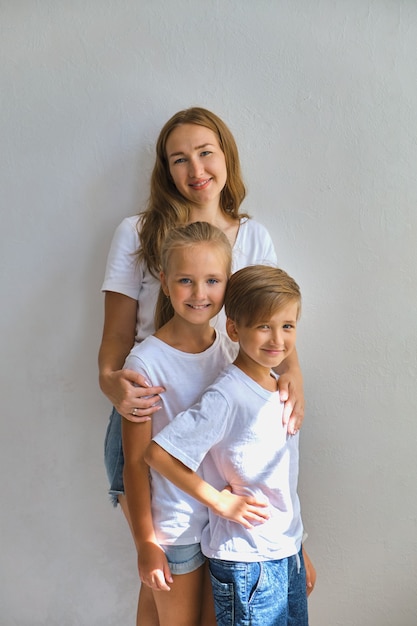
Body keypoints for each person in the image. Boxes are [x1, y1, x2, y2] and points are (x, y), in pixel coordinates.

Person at [99, 107, 306, 624]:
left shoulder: (249, 249)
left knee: (181, 602)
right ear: (168, 282)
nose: (194, 168)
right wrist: (113, 386)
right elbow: (117, 347)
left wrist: (293, 377)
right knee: (166, 586)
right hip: (152, 420)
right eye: (178, 159)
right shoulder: (139, 233)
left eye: (205, 152)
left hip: (217, 461)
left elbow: (269, 326)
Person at [145, 265, 314, 626]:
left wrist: (297, 548)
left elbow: (278, 484)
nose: (277, 340)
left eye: (287, 326)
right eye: (263, 326)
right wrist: (220, 500)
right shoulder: (227, 394)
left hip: (284, 554)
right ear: (234, 329)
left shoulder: (279, 387)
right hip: (247, 565)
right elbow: (157, 454)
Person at [122, 221, 270, 625]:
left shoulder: (232, 354)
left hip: (225, 527)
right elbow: (135, 463)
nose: (200, 293)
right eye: (186, 280)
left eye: (212, 280)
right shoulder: (145, 363)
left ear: (227, 284)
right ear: (166, 284)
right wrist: (146, 543)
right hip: (177, 528)